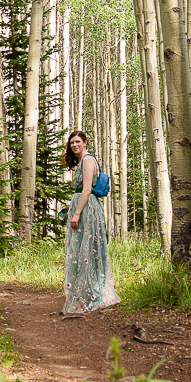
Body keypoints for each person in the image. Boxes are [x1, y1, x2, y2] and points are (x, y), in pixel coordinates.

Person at [62, 131, 120, 315]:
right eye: (72, 142)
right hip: (84, 207)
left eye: (78, 141)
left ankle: (94, 294)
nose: (74, 145)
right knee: (83, 250)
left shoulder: (87, 160)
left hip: (87, 210)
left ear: (85, 142)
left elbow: (87, 189)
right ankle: (88, 293)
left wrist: (77, 213)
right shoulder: (83, 160)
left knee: (88, 250)